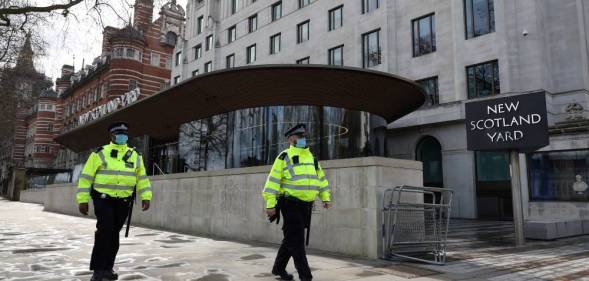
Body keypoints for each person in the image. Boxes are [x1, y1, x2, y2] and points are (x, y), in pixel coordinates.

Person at [77, 122, 152, 281]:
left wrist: (146, 197)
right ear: (111, 136)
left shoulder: (135, 155)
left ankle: (107, 268)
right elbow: (85, 178)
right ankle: (98, 270)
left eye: (124, 133)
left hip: (124, 201)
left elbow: (142, 179)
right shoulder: (99, 154)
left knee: (113, 234)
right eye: (118, 133)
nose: (122, 136)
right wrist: (82, 200)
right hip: (103, 200)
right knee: (105, 232)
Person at [262, 123, 331, 281]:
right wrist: (270, 204)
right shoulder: (284, 156)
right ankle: (306, 277)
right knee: (297, 242)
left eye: (304, 136)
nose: (303, 139)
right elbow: (272, 182)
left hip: (306, 206)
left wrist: (325, 197)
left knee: (291, 239)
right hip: (290, 204)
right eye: (299, 136)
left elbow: (320, 179)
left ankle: (278, 268)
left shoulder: (312, 159)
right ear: (290, 139)